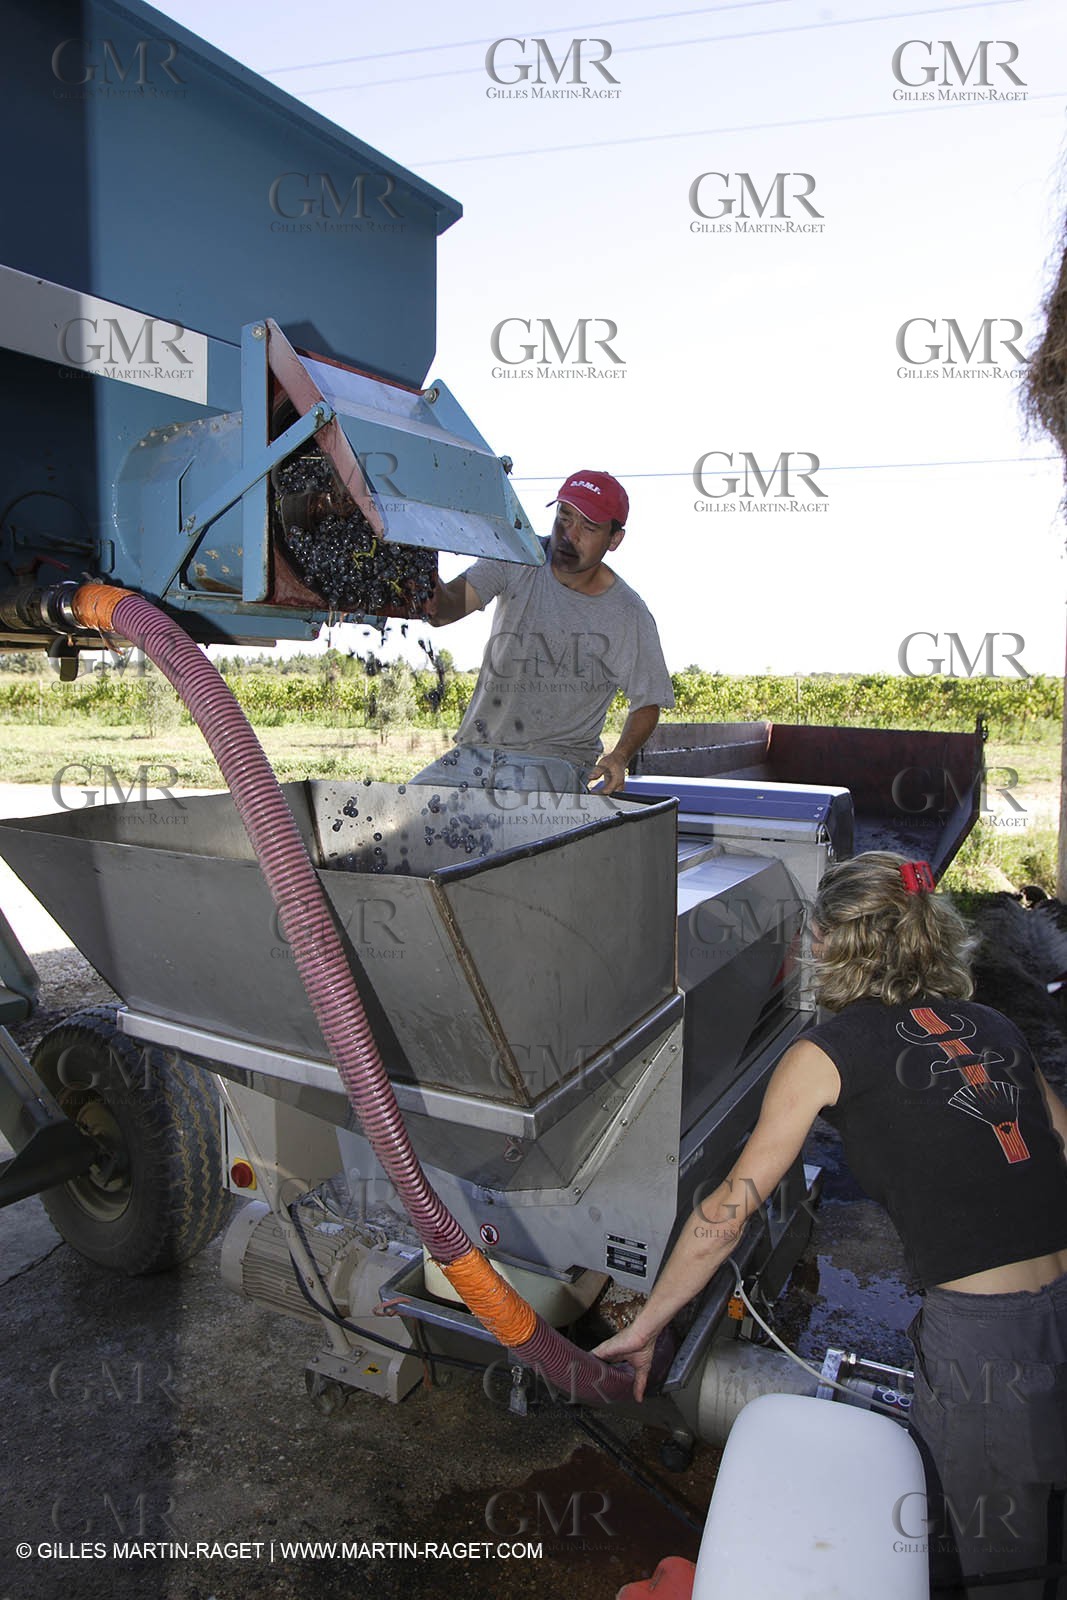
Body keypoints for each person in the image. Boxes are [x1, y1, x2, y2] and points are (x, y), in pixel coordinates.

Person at [593, 852, 1067, 1599]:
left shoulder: (825, 1053)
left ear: (827, 944)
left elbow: (724, 1213)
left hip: (986, 1334)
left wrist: (650, 1321)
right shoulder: (994, 1024)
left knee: (987, 1549)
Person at [411, 470, 674, 795]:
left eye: (588, 527)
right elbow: (449, 606)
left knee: (509, 836)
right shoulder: (518, 557)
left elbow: (648, 702)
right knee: (399, 815)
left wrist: (620, 755)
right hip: (474, 754)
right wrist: (428, 594)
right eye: (564, 517)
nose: (569, 534)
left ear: (614, 539)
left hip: (552, 764)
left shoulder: (627, 613)